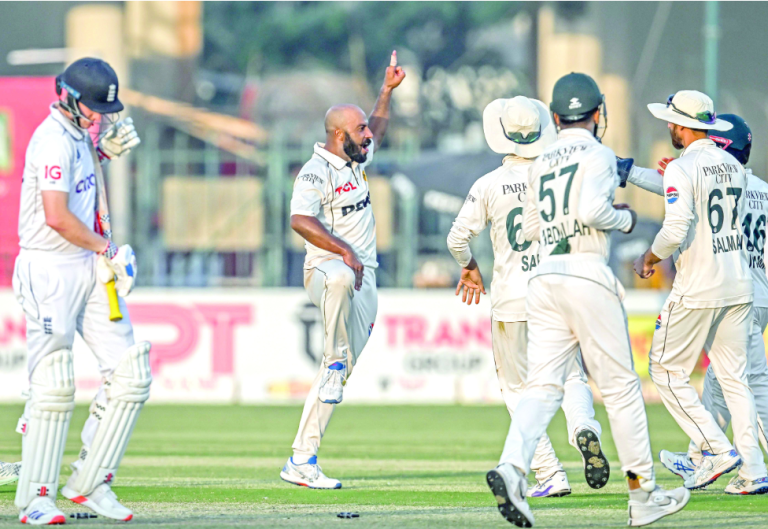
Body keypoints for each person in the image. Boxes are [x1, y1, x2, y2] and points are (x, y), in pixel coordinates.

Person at [486, 73, 689, 528]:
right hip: (585, 272)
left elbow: (535, 229)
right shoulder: (597, 154)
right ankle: (643, 497)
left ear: (555, 118)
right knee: (620, 390)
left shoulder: (540, 161)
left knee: (541, 387)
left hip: (543, 278)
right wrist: (625, 219)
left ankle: (512, 469)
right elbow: (594, 212)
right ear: (598, 114)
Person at [447, 96, 607, 498]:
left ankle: (550, 472)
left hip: (513, 299)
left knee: (518, 389)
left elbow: (457, 239)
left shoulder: (488, 184)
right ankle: (584, 428)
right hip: (559, 291)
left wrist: (469, 267)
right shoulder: (560, 176)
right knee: (571, 377)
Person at [13, 57, 149, 525]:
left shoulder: (80, 138)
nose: (101, 116)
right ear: (68, 97)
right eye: (93, 107)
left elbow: (83, 192)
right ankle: (36, 499)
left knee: (130, 375)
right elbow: (56, 216)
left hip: (89, 264)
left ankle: (90, 482)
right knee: (53, 385)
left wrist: (101, 155)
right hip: (50, 267)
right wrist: (108, 247)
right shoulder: (52, 139)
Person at [280, 51, 405, 489]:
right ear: (337, 136)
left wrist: (386, 91)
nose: (369, 134)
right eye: (359, 130)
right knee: (337, 278)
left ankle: (301, 459)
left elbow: (380, 126)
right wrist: (345, 251)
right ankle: (333, 360)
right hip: (325, 272)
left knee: (336, 381)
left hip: (363, 278)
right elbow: (299, 220)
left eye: (366, 129)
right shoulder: (315, 172)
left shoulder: (356, 158)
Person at [633, 92, 768, 494]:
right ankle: (753, 469)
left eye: (671, 122)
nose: (668, 128)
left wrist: (649, 257)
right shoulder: (733, 166)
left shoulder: (681, 166)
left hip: (699, 286)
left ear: (682, 125)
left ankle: (715, 450)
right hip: (741, 284)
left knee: (665, 370)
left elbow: (676, 229)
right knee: (735, 380)